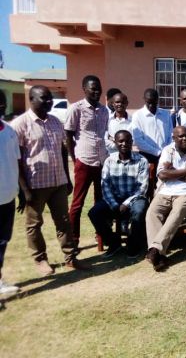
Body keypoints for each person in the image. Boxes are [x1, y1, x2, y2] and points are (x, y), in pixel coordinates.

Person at [13, 86, 88, 275]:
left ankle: (70, 258)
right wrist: (24, 189)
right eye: (44, 98)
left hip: (58, 182)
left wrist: (67, 178)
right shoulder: (20, 124)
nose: (49, 102)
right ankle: (40, 260)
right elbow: (17, 159)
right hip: (35, 184)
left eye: (50, 99)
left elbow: (62, 151)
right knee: (34, 224)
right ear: (31, 99)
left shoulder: (55, 122)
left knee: (63, 222)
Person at [145, 126, 186, 271]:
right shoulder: (168, 150)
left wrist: (174, 172)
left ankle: (154, 250)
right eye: (181, 137)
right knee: (152, 213)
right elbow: (162, 175)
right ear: (174, 139)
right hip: (165, 191)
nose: (185, 138)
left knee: (177, 212)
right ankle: (159, 255)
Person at [88, 130, 150, 258]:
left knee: (139, 210)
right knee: (94, 212)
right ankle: (113, 243)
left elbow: (142, 188)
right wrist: (114, 204)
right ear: (115, 143)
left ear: (132, 142)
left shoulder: (142, 160)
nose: (124, 144)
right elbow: (105, 185)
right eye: (120, 141)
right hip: (114, 198)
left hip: (135, 198)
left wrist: (126, 204)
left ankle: (133, 245)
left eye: (127, 141)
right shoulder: (109, 161)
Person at [64, 75, 109, 247]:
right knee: (78, 203)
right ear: (84, 89)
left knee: (101, 202)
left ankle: (101, 236)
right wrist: (74, 158)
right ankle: (73, 239)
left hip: (101, 161)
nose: (97, 91)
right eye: (93, 88)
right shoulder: (76, 108)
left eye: (99, 88)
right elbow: (68, 134)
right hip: (84, 160)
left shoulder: (104, 110)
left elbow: (103, 134)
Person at [132, 88, 173, 197]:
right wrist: (158, 152)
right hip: (147, 157)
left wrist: (166, 152)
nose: (151, 105)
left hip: (165, 156)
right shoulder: (138, 115)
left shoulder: (165, 114)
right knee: (148, 187)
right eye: (148, 102)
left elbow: (170, 135)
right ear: (144, 100)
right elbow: (138, 141)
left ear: (157, 100)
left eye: (154, 102)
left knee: (164, 186)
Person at [0, 90, 20, 295]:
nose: (1, 107)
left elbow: (16, 162)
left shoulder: (9, 131)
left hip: (7, 196)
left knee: (3, 240)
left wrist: (20, 192)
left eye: (3, 104)